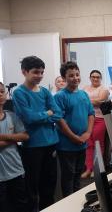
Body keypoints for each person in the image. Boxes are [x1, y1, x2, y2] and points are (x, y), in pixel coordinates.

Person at [12, 56, 62, 212]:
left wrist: (43, 115)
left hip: (51, 143)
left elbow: (58, 113)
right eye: (35, 72)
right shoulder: (19, 93)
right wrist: (47, 113)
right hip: (32, 145)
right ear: (24, 72)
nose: (40, 75)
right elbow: (28, 118)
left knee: (49, 185)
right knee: (32, 186)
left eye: (42, 72)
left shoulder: (46, 91)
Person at [54, 62, 95, 197]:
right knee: (68, 176)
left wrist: (88, 133)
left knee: (78, 174)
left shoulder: (83, 94)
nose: (75, 78)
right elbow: (59, 120)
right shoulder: (60, 96)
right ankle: (67, 203)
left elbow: (91, 114)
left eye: (77, 74)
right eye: (71, 76)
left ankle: (76, 200)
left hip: (82, 143)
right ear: (64, 78)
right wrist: (74, 137)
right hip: (66, 145)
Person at [0, 82, 30, 212]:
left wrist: (3, 136)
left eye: (1, 91)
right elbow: (18, 137)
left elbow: (25, 136)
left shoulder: (12, 116)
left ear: (6, 95)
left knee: (21, 205)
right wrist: (13, 138)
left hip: (16, 170)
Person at [81, 70, 110, 178]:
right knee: (89, 144)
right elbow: (87, 100)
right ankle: (88, 169)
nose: (95, 79)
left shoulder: (104, 89)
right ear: (90, 77)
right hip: (87, 118)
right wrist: (92, 100)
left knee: (98, 144)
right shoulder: (84, 88)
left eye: (97, 77)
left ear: (100, 78)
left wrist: (86, 100)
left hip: (100, 119)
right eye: (93, 77)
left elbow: (100, 101)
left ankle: (96, 169)